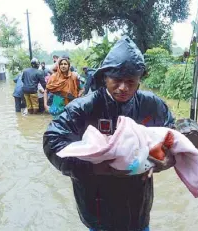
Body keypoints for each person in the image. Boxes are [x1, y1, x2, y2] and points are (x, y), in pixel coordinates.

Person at [43, 36, 176, 231]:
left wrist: (165, 159)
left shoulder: (151, 104)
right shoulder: (83, 107)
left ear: (140, 80)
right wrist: (97, 168)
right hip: (96, 204)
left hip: (138, 206)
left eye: (131, 81)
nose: (123, 88)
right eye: (117, 80)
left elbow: (172, 132)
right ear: (104, 77)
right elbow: (52, 141)